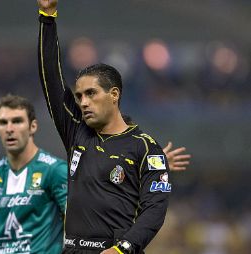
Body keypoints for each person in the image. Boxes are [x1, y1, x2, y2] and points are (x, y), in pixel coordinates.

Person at [37, 1, 173, 253]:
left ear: (114, 94)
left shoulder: (144, 147)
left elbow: (155, 209)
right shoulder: (76, 130)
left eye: (91, 93)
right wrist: (47, 17)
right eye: (79, 96)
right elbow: (51, 78)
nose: (83, 102)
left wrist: (123, 248)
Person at [0, 94, 68, 254]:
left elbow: (75, 223)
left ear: (33, 126)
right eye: (3, 123)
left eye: (17, 121)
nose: (9, 129)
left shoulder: (54, 170)